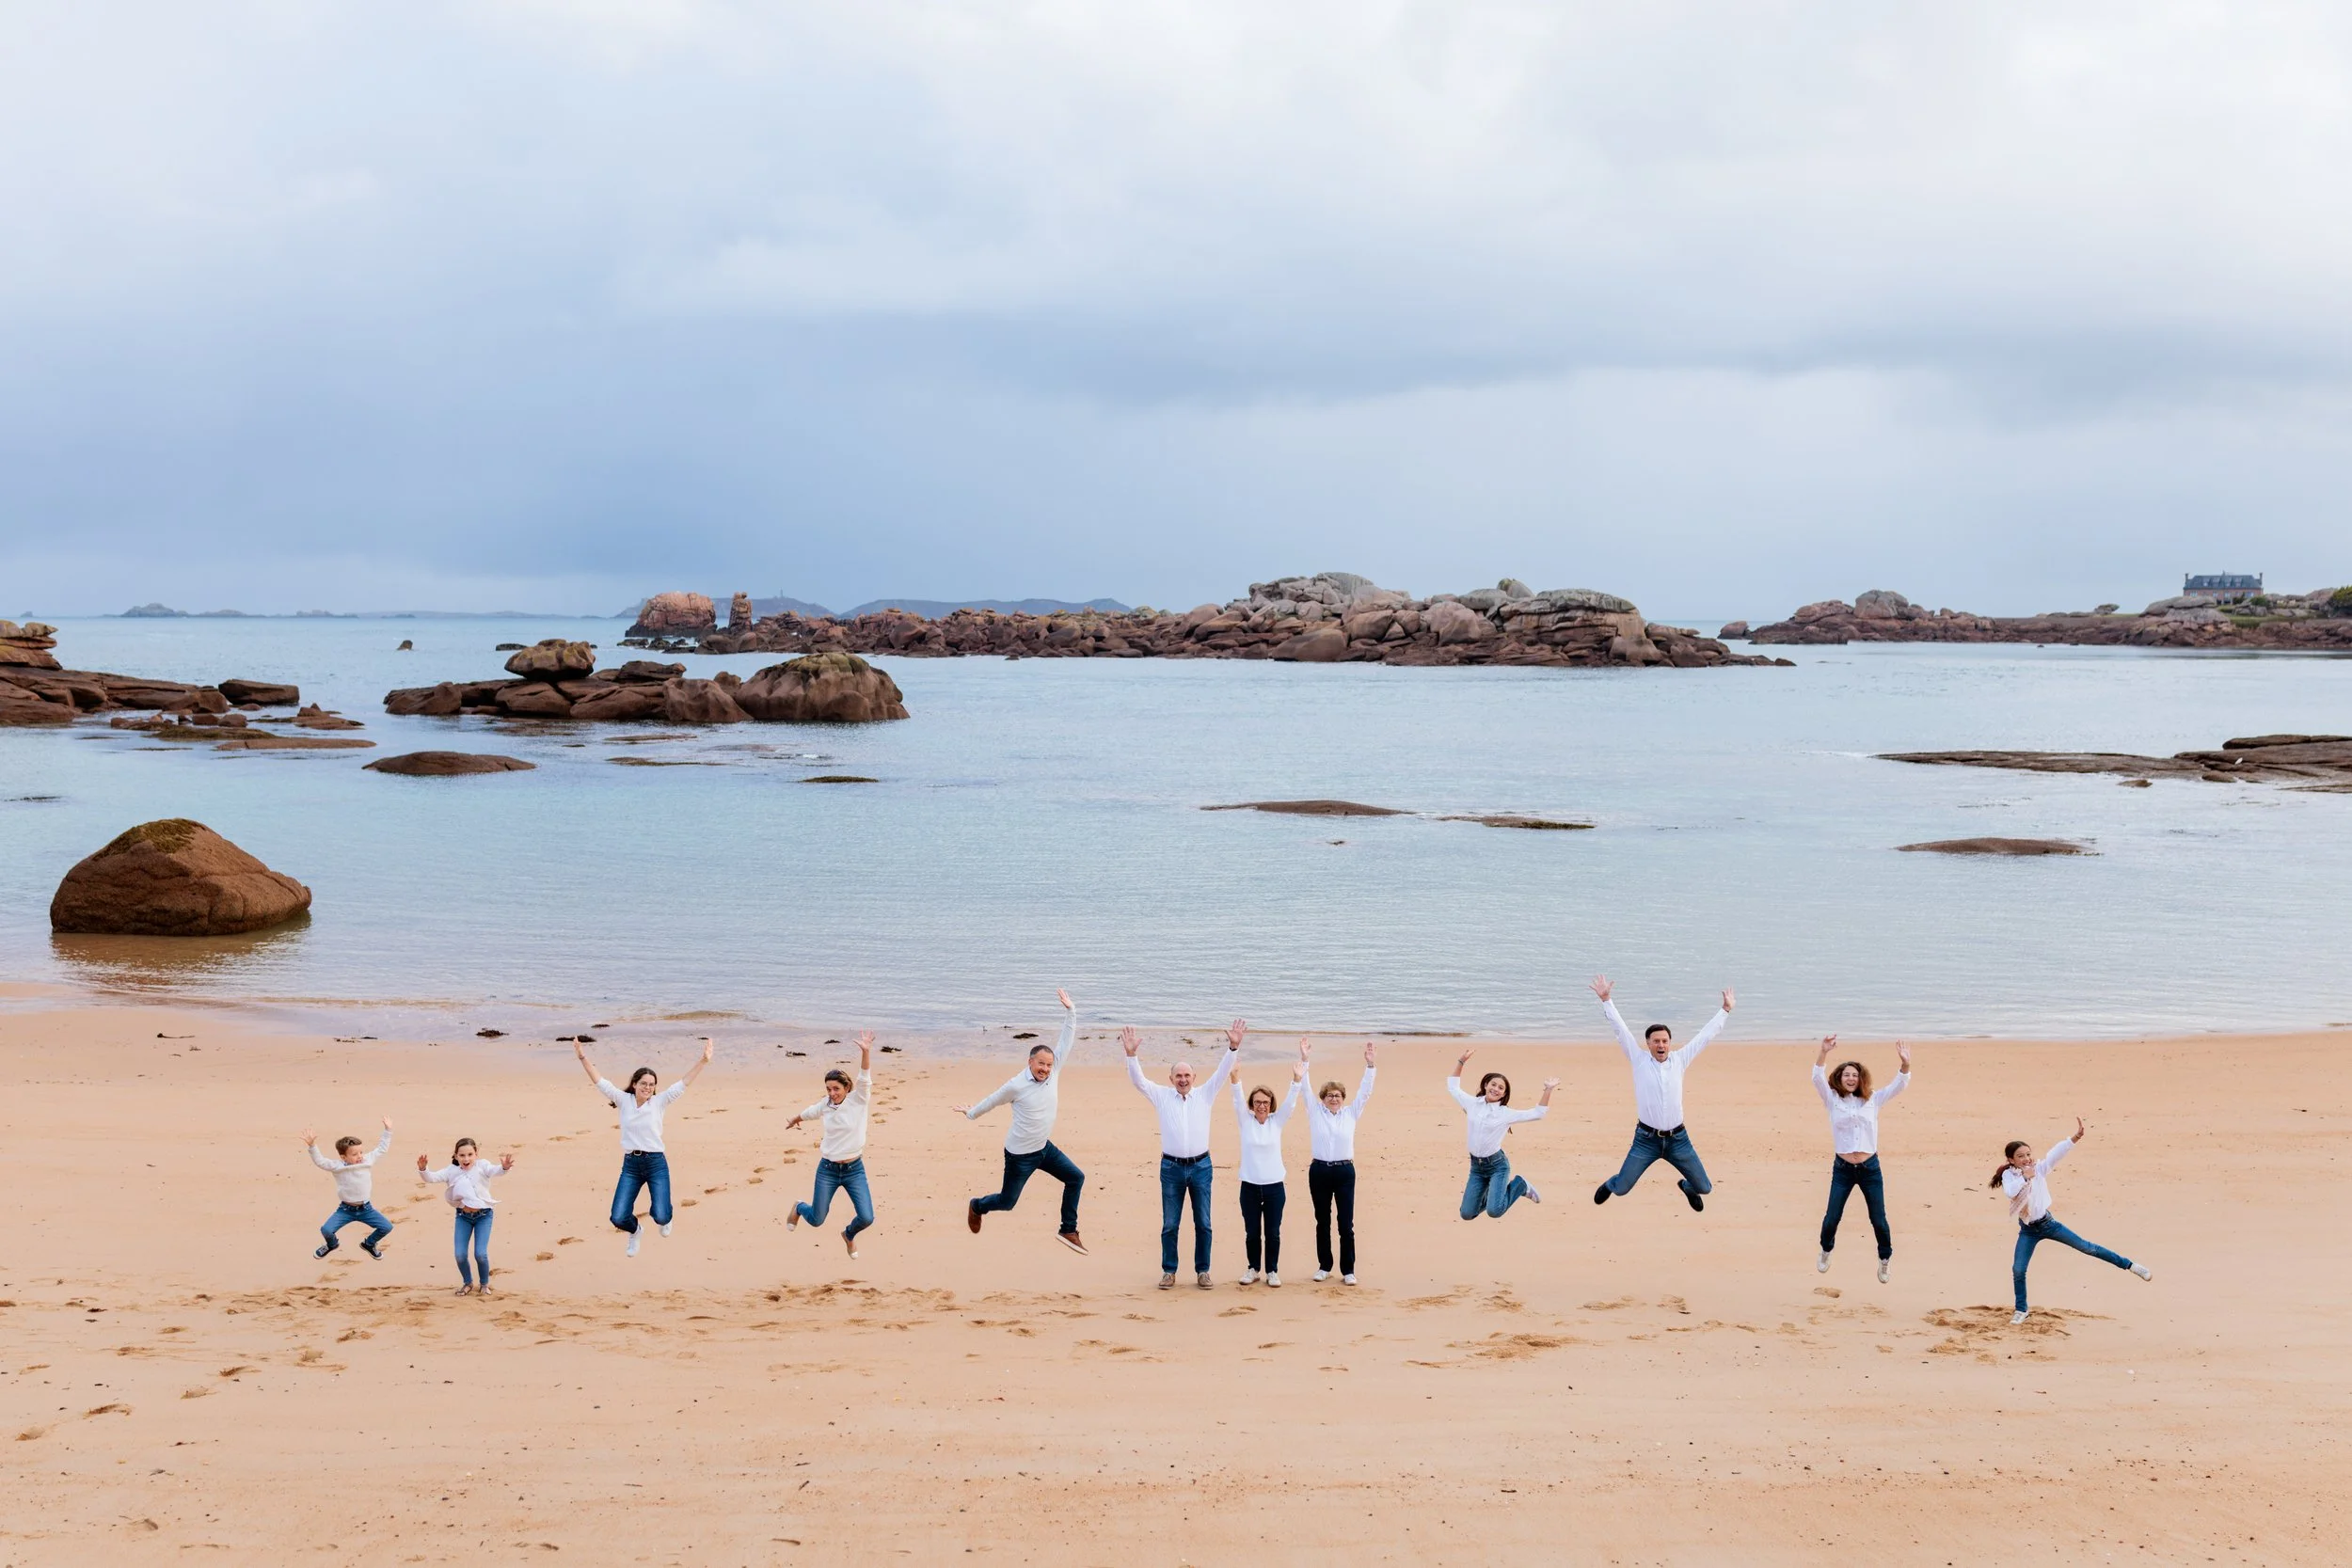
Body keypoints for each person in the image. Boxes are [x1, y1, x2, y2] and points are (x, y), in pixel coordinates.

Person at [955, 989, 1089, 1255]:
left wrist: (1071, 1011)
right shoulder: (1015, 1085)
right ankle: (977, 1205)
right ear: (1030, 1062)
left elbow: (1066, 1040)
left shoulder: (1054, 1071)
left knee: (1076, 1178)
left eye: (1049, 1065)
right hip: (1020, 1156)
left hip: (1044, 1149)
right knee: (1007, 1202)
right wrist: (971, 1113)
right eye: (1041, 1064)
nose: (1045, 1069)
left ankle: (1068, 1229)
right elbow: (993, 1100)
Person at [1588, 975, 1732, 1212]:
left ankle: (1686, 1186)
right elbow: (1620, 1030)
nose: (1661, 1045)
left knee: (1704, 1188)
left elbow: (1705, 1036)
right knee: (1622, 1188)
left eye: (1665, 1041)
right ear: (1648, 1043)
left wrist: (1725, 1010)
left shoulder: (1680, 1059)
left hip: (1678, 1141)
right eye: (1656, 1041)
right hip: (1646, 1141)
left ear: (1670, 1042)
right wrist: (1606, 1000)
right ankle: (1610, 1183)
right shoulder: (1639, 1060)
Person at [1124, 1019, 1246, 1288]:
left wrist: (1233, 1047)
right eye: (1178, 1076)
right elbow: (1139, 1081)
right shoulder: (1161, 1095)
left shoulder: (1205, 1094)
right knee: (1170, 1224)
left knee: (1203, 1223)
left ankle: (1203, 1271)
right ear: (1171, 1079)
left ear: (1194, 1078)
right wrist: (1131, 1055)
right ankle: (1169, 1270)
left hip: (1201, 1166)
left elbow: (1222, 1072)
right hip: (1171, 1168)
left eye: (1187, 1075)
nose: (1182, 1079)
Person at [1996, 1118, 2153, 1324]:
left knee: (2088, 1248)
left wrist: (2074, 1138)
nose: (2026, 1159)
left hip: (2048, 1224)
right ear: (2011, 1159)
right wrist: (2025, 1177)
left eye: (2028, 1154)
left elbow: (2055, 1155)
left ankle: (2131, 1265)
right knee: (2018, 1269)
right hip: (2027, 1230)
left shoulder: (2039, 1169)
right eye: (2020, 1156)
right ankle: (2021, 1309)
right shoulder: (2010, 1176)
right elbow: (2010, 1192)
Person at [576, 1035, 714, 1257]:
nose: (647, 1087)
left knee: (661, 1216)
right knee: (618, 1217)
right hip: (631, 1165)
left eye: (651, 1085)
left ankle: (664, 1214)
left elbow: (684, 1083)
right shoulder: (623, 1100)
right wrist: (582, 1056)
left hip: (656, 1163)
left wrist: (704, 1061)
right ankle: (636, 1230)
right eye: (643, 1084)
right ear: (634, 1084)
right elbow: (599, 1081)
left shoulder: (660, 1103)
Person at [1813, 1036, 1911, 1283]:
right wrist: (1823, 1052)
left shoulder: (1873, 1099)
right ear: (1839, 1077)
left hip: (1870, 1169)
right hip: (1843, 1169)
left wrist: (1905, 1064)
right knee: (1832, 1216)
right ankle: (1826, 1249)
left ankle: (1885, 1260)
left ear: (1860, 1078)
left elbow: (1899, 1085)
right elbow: (1816, 1077)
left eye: (1854, 1075)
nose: (1850, 1078)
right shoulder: (1832, 1100)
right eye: (1846, 1074)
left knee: (1878, 1219)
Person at [787, 1031, 875, 1259]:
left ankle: (848, 1235)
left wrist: (865, 1051)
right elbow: (809, 1112)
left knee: (867, 1217)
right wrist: (795, 1119)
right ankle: (799, 1207)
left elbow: (864, 1076)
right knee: (816, 1220)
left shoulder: (859, 1099)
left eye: (836, 1089)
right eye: (828, 1089)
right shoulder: (825, 1105)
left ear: (847, 1088)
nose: (832, 1093)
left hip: (854, 1170)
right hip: (828, 1170)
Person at [1230, 1039, 1310, 1287]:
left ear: (1271, 1104)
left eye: (1265, 1102)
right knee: (1252, 1232)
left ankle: (1272, 1271)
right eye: (1257, 1102)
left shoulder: (1277, 1121)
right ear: (1252, 1105)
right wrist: (1235, 1078)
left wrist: (1297, 1077)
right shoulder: (1245, 1121)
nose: (1261, 1106)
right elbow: (1236, 1097)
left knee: (1272, 1233)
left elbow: (1291, 1103)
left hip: (1275, 1186)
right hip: (1250, 1186)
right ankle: (1253, 1269)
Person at [1446, 1049, 1558, 1220]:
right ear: (1486, 1085)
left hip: (1497, 1166)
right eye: (1493, 1084)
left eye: (1501, 1088)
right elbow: (1453, 1087)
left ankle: (1520, 1185)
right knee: (1467, 1214)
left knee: (1494, 1211)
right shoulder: (1472, 1104)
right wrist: (1461, 1061)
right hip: (1476, 1167)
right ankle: (1493, 1196)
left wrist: (1548, 1090)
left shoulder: (1505, 1114)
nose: (1496, 1089)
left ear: (1504, 1094)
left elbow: (1538, 1113)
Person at [1303, 1041, 1376, 1284]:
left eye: (1337, 1095)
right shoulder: (1315, 1112)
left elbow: (1365, 1092)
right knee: (1322, 1221)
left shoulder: (1351, 1113)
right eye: (1329, 1095)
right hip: (1319, 1170)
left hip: (1345, 1171)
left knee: (1346, 1223)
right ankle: (1324, 1266)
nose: (1333, 1098)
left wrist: (1370, 1065)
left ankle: (1348, 1271)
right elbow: (1304, 1087)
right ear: (1322, 1098)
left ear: (1343, 1098)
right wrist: (1305, 1060)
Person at [417, 1138, 516, 1295]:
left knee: (480, 1254)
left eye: (470, 1154)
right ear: (456, 1156)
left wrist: (504, 1167)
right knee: (460, 1255)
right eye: (462, 1155)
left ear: (476, 1154)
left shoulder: (482, 1166)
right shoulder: (451, 1171)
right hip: (463, 1217)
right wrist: (423, 1169)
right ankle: (467, 1282)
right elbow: (432, 1178)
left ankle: (484, 1284)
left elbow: (495, 1170)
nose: (466, 1159)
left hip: (484, 1215)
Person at [304, 1119, 395, 1260]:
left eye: (361, 1152)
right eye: (354, 1154)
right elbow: (321, 1162)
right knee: (326, 1230)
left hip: (366, 1209)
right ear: (343, 1157)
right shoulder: (337, 1166)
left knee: (387, 1227)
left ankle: (369, 1244)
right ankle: (332, 1244)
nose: (359, 1156)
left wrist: (388, 1131)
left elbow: (381, 1149)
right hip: (345, 1210)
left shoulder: (367, 1160)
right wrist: (312, 1146)